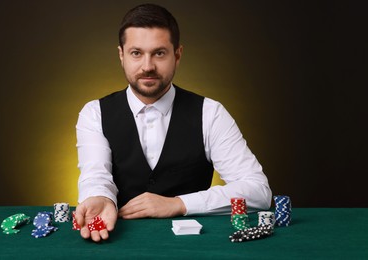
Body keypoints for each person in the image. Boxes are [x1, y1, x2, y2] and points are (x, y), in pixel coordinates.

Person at [75, 3, 272, 242]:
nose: (147, 66)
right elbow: (96, 175)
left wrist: (180, 204)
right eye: (136, 53)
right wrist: (100, 197)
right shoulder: (94, 113)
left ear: (177, 55)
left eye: (159, 53)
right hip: (117, 243)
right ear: (121, 55)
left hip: (194, 245)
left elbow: (258, 191)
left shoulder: (210, 113)